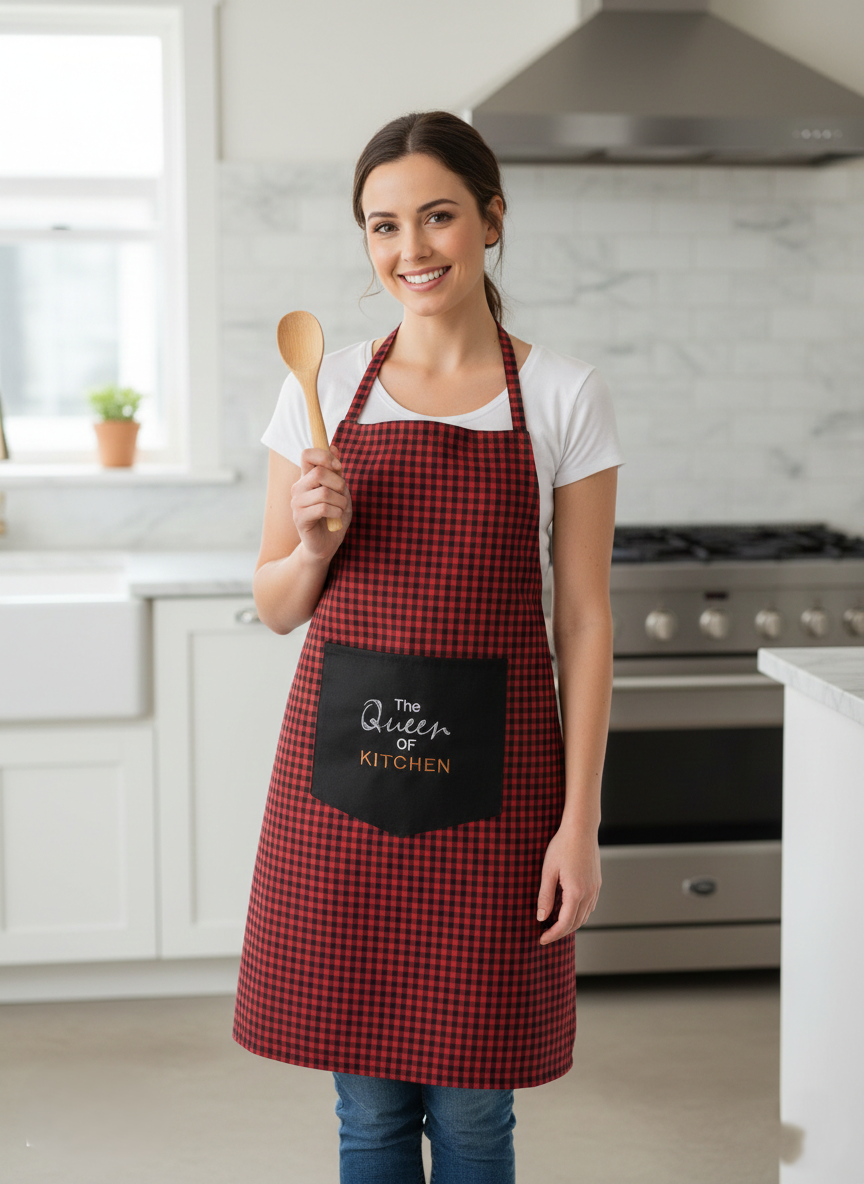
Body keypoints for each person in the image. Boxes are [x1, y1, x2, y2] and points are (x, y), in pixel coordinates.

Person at [233, 110, 623, 1183]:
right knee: (365, 1113)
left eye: (438, 216)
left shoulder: (563, 393)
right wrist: (316, 544)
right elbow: (274, 604)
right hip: (344, 792)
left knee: (475, 1112)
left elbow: (584, 619)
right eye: (383, 225)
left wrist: (581, 821)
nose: (412, 248)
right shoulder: (318, 389)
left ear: (492, 219)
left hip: (497, 800)